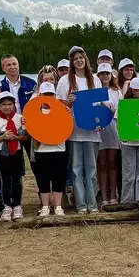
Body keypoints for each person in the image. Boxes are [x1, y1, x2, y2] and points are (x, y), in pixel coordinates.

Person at [56, 46, 103, 214]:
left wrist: (101, 121)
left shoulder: (95, 79)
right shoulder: (65, 81)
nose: (78, 60)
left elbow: (100, 104)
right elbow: (59, 106)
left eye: (81, 57)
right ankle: (81, 204)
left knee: (91, 168)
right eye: (75, 58)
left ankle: (92, 203)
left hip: (92, 131)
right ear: (72, 61)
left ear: (86, 59)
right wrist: (69, 102)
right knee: (76, 169)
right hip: (74, 131)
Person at [0, 92, 29, 221]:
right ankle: (6, 206)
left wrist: (16, 137)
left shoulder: (19, 118)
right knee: (4, 179)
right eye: (4, 104)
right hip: (3, 153)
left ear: (14, 105)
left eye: (10, 104)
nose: (7, 107)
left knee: (17, 179)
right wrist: (3, 137)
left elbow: (26, 137)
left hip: (16, 152)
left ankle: (17, 205)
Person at [31, 82, 68, 216]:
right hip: (41, 150)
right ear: (40, 95)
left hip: (59, 149)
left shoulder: (62, 110)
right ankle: (45, 206)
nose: (48, 97)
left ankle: (58, 206)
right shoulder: (34, 111)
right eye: (45, 94)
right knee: (43, 179)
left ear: (55, 96)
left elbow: (67, 128)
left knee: (59, 178)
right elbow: (30, 129)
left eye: (50, 94)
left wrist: (67, 115)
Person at [97, 63, 120, 207]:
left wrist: (106, 106)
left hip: (113, 129)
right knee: (102, 164)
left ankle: (113, 194)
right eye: (102, 73)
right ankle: (103, 195)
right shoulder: (95, 91)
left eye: (107, 73)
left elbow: (118, 110)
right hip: (99, 131)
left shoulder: (116, 92)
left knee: (112, 163)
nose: (105, 76)